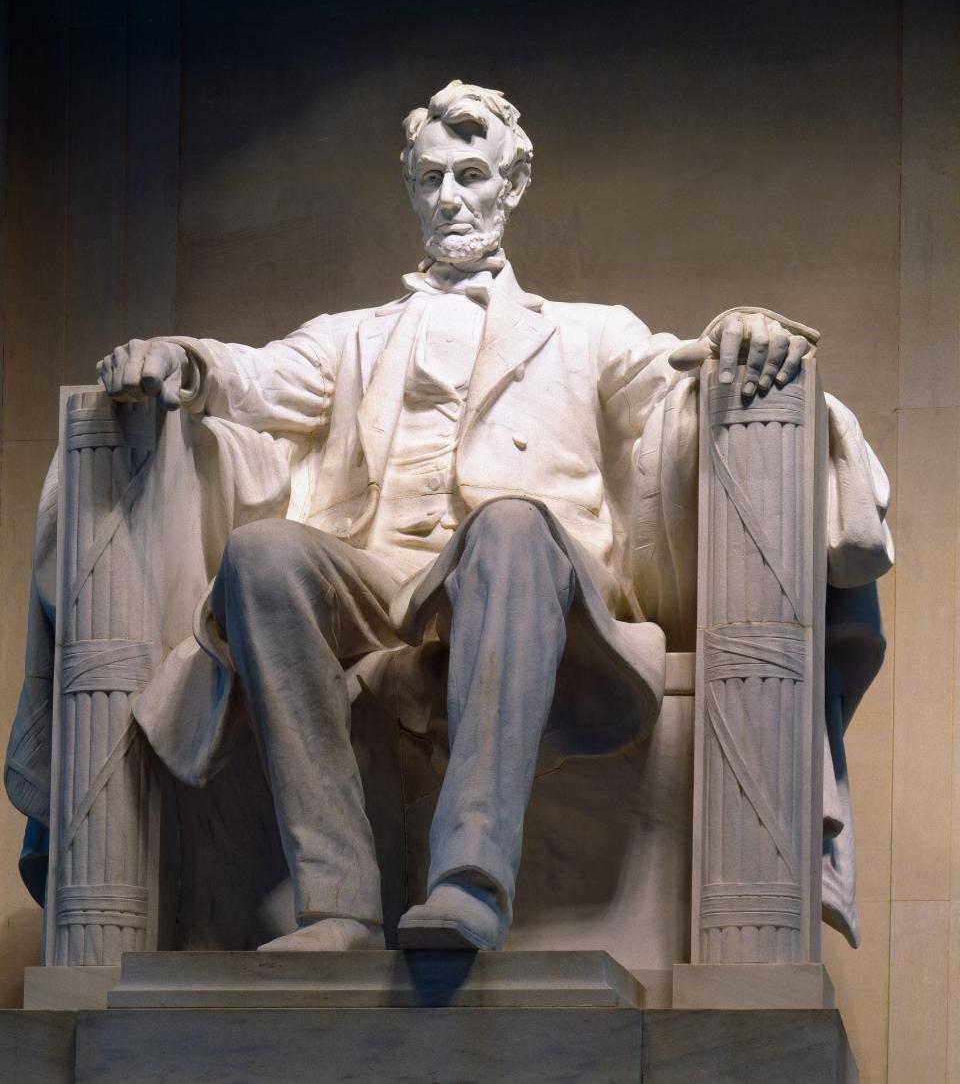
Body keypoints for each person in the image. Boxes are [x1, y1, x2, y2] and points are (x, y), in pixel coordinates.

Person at [14, 81, 894, 953]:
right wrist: (184, 358)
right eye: (429, 178)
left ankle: (471, 882)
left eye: (470, 175)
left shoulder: (588, 332)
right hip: (382, 581)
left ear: (512, 186)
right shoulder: (352, 335)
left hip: (533, 578)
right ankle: (339, 903)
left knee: (510, 522)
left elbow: (679, 387)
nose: (448, 198)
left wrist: (742, 330)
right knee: (262, 554)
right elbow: (255, 376)